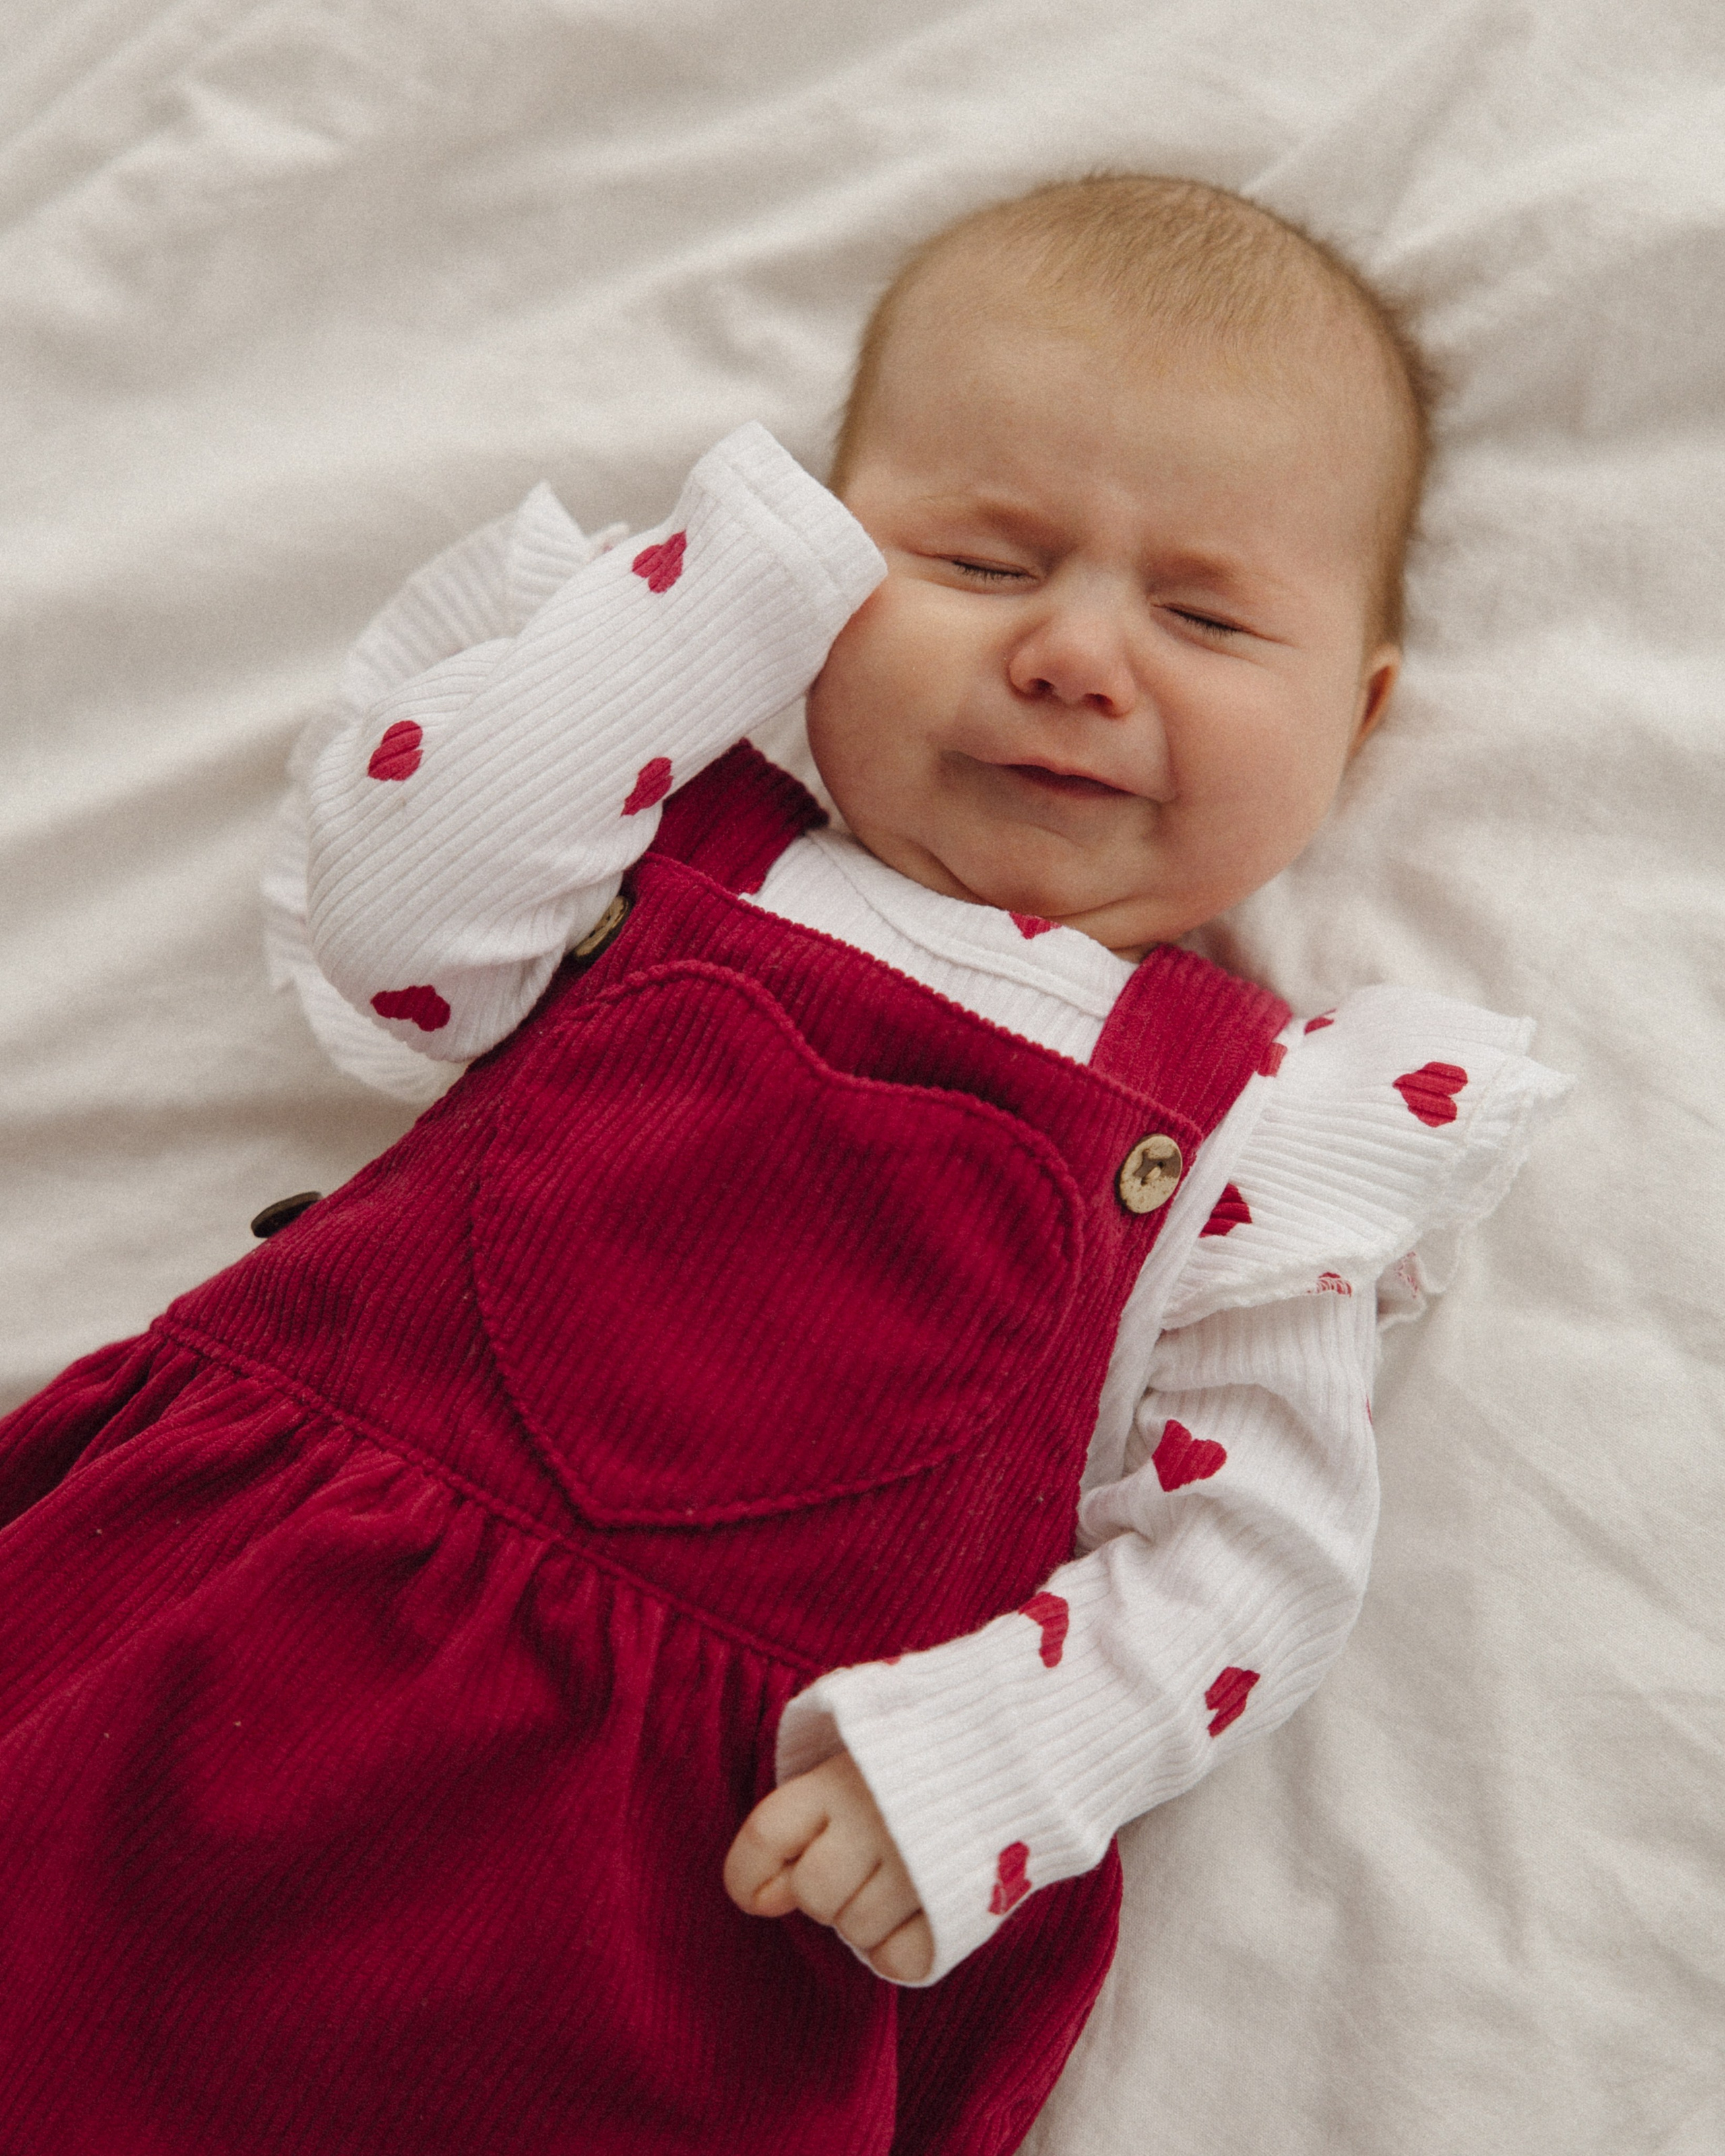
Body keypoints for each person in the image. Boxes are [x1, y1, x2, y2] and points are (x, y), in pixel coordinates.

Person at [0, 177, 1567, 2155]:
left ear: (1355, 721)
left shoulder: (1263, 1140)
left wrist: (996, 1760)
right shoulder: (649, 847)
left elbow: (1256, 1562)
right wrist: (720, 602)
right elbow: (392, 929)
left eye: (1201, 612)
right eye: (981, 561)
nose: (1081, 655)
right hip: (228, 1640)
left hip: (703, 1881)